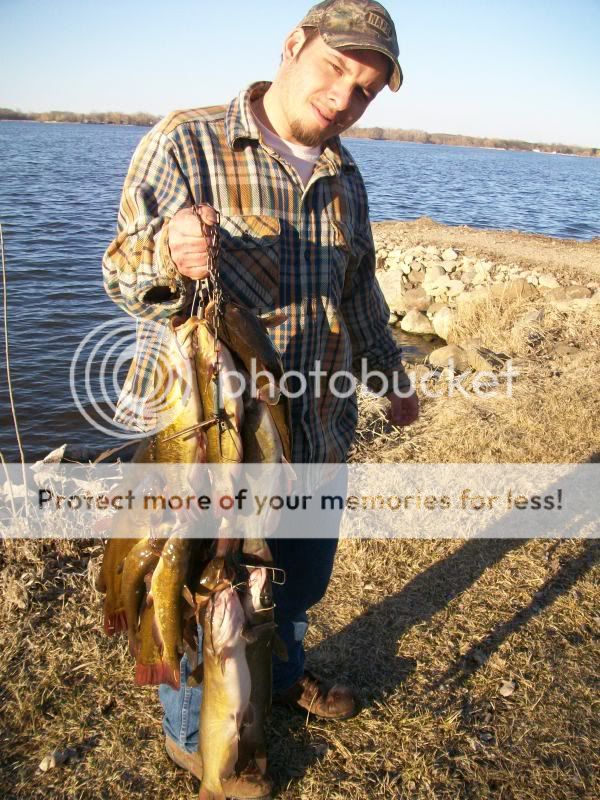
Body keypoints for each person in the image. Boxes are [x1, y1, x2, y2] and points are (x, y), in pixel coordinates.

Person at [103, 1, 418, 796]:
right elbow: (119, 272)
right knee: (210, 588)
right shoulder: (187, 140)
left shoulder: (346, 175)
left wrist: (389, 372)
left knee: (295, 584)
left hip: (313, 431)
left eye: (367, 89)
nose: (346, 96)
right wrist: (167, 252)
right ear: (292, 46)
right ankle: (194, 734)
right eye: (337, 68)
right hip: (212, 447)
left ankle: (280, 677)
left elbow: (360, 290)